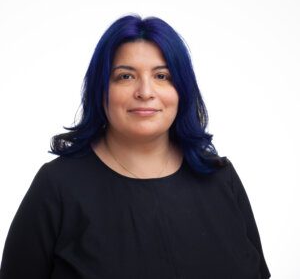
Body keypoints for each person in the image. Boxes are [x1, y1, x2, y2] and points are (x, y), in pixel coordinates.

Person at [0, 14, 271, 279]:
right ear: (100, 89)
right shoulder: (57, 186)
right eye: (125, 77)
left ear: (182, 90)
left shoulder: (220, 177)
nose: (145, 91)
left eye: (162, 76)